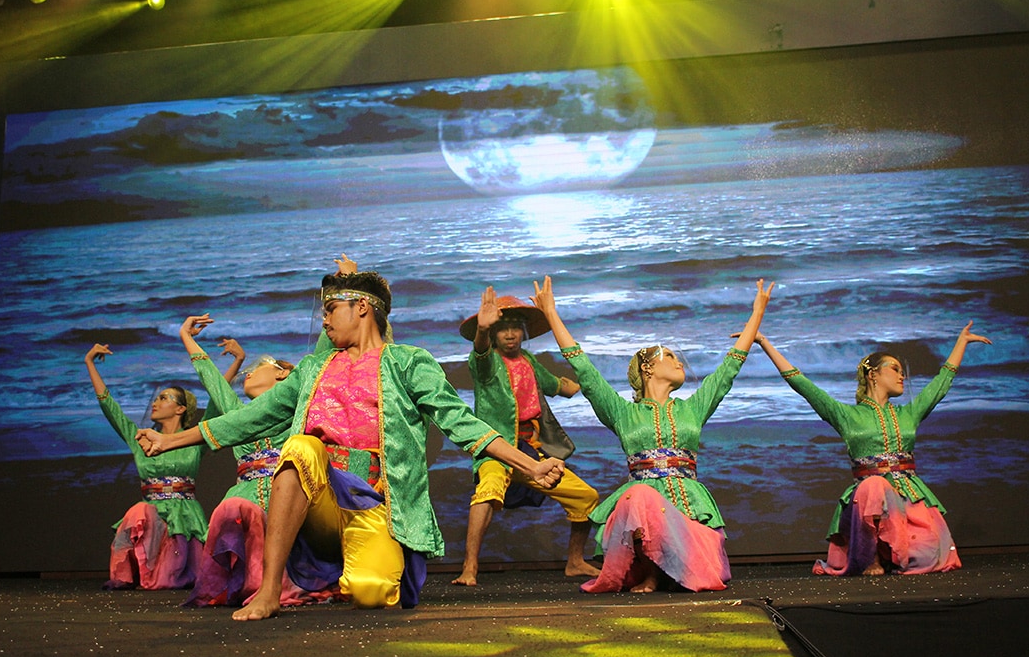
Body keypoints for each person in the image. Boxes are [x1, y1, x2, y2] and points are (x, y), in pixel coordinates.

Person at [135, 259, 565, 618]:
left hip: (375, 502)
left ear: (361, 307)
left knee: (372, 593)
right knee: (301, 447)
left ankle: (357, 567)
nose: (324, 319)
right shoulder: (312, 369)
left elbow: (461, 422)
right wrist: (168, 441)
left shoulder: (408, 363)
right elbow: (249, 419)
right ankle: (269, 591)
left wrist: (530, 465)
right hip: (320, 500)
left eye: (330, 309)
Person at [532, 275, 773, 593]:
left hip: (688, 517)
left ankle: (674, 568)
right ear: (647, 368)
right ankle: (652, 572)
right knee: (640, 494)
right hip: (641, 519)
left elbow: (729, 368)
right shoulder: (622, 413)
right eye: (669, 356)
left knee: (700, 565)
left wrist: (757, 313)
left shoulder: (693, 408)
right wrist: (551, 313)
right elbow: (584, 370)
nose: (678, 361)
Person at [752, 322, 991, 576]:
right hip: (867, 504)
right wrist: (764, 343)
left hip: (906, 498)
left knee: (929, 557)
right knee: (874, 485)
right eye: (895, 369)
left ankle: (893, 552)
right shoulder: (847, 416)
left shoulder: (908, 414)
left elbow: (941, 383)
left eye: (902, 371)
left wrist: (961, 343)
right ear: (872, 375)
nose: (902, 376)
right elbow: (802, 384)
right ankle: (871, 557)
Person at [452, 287, 601, 586]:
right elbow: (480, 354)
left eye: (515, 328)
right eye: (502, 328)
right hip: (498, 450)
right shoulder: (488, 363)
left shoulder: (528, 360)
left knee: (586, 497)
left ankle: (575, 562)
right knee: (488, 490)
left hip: (533, 452)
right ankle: (469, 567)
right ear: (494, 334)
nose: (510, 334)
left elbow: (555, 385)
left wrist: (586, 382)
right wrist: (482, 330)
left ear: (523, 332)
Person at [178, 314, 328, 608]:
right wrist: (186, 337)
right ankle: (250, 584)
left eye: (260, 367)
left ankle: (277, 585)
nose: (249, 374)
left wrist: (330, 310)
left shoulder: (297, 407)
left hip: (286, 493)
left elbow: (320, 359)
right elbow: (213, 381)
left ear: (283, 374)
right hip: (246, 492)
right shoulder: (238, 415)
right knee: (233, 508)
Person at [83, 343, 207, 590]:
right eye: (156, 398)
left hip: (184, 518)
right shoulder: (140, 438)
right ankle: (138, 569)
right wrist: (89, 363)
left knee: (170, 580)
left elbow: (215, 407)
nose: (155, 403)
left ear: (180, 409)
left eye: (164, 398)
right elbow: (110, 408)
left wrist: (236, 361)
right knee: (139, 511)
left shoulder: (193, 438)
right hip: (150, 521)